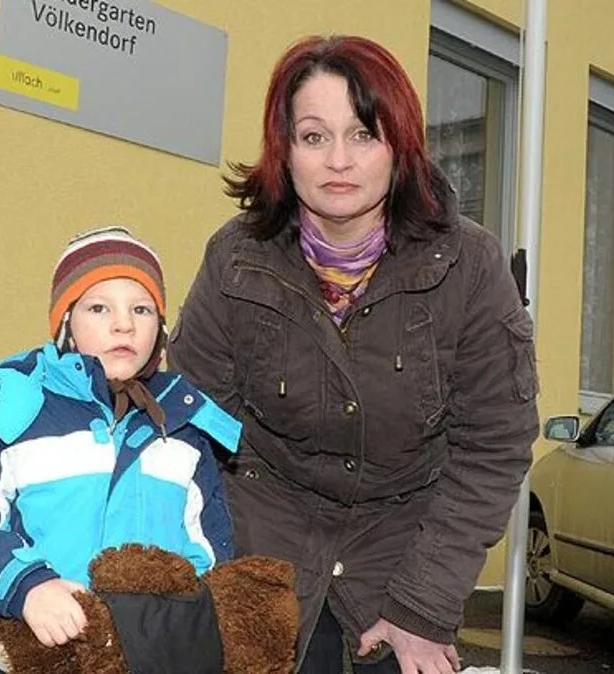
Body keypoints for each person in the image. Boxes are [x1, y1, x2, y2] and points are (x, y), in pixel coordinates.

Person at [167, 35, 539, 674]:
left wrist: (423, 607)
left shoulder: (471, 266)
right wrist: (224, 581)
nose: (338, 160)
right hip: (267, 545)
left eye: (363, 135)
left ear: (400, 144)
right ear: (284, 149)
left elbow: (492, 447)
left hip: (406, 551)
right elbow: (194, 429)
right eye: (314, 136)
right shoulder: (235, 260)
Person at [0, 226, 240, 673]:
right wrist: (28, 587)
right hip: (24, 653)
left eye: (141, 309)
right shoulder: (19, 414)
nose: (124, 323)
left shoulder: (183, 431)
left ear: (161, 328)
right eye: (99, 307)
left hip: (142, 657)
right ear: (65, 325)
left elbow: (207, 555)